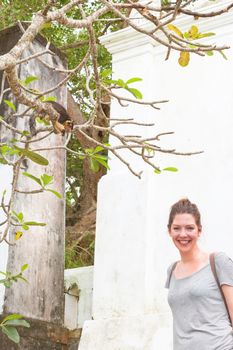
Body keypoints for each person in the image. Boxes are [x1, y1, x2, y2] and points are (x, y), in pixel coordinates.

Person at [165, 198, 233, 350]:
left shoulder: (218, 262)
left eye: (190, 228)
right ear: (169, 231)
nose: (183, 234)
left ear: (199, 230)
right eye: (177, 228)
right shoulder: (171, 270)